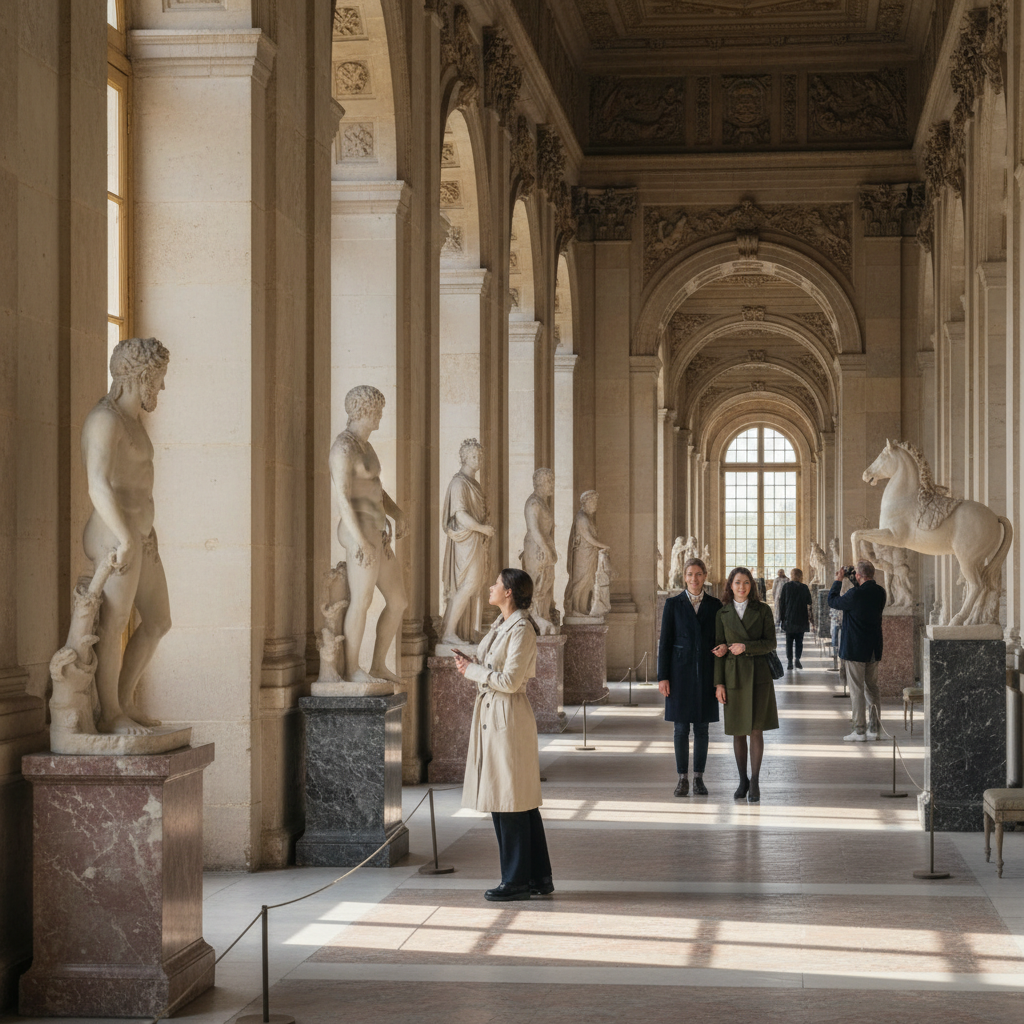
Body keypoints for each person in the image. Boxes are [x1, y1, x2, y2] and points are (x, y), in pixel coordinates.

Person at [82, 337, 171, 735]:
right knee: (114, 623)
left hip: (140, 533)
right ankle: (110, 713)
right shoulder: (105, 420)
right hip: (113, 533)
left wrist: (141, 534)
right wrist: (125, 537)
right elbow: (97, 485)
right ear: (142, 376)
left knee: (158, 621)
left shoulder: (131, 420)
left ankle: (122, 701)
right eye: (159, 379)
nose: (162, 388)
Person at [454, 568, 553, 901]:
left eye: (496, 583)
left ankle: (515, 881)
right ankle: (538, 877)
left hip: (507, 716)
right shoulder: (502, 625)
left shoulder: (522, 629)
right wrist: (473, 664)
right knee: (516, 800)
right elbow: (492, 666)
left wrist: (474, 672)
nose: (491, 586)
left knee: (510, 800)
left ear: (509, 591)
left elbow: (510, 681)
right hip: (495, 712)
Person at [329, 385, 408, 683]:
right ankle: (351, 669)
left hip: (376, 530)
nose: (380, 417)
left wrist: (396, 513)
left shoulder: (366, 446)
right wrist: (360, 541)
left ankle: (377, 665)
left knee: (398, 601)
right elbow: (343, 498)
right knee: (361, 600)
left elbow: (376, 488)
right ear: (365, 410)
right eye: (378, 411)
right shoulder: (343, 448)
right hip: (357, 531)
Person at [713, 566, 780, 803]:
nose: (742, 587)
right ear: (730, 586)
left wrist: (746, 647)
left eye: (746, 583)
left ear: (752, 586)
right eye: (737, 582)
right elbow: (718, 649)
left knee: (756, 730)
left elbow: (771, 643)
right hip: (733, 676)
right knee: (738, 731)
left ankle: (755, 781)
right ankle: (742, 779)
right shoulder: (722, 613)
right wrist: (719, 684)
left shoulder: (762, 610)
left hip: (758, 675)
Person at [657, 558, 722, 797]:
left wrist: (719, 680)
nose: (694, 579)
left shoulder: (715, 605)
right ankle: (682, 778)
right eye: (690, 574)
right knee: (681, 728)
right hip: (679, 673)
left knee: (702, 729)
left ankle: (699, 778)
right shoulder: (673, 604)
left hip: (706, 672)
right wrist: (663, 676)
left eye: (698, 574)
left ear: (705, 576)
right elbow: (664, 643)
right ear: (684, 577)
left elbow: (720, 640)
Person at [440, 438, 494, 644]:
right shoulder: (459, 483)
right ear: (464, 457)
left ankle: (461, 631)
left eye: (480, 456)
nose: (478, 459)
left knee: (475, 584)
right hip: (466, 542)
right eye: (473, 456)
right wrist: (482, 528)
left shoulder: (474, 484)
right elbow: (460, 515)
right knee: (467, 584)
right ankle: (448, 633)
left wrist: (484, 526)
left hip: (476, 540)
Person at [828, 559, 887, 741]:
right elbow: (862, 591)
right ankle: (874, 729)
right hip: (873, 648)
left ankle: (859, 730)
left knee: (857, 690)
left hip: (855, 649)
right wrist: (855, 579)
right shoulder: (880, 592)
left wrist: (838, 580)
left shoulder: (855, 594)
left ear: (859, 575)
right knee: (872, 689)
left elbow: (833, 601)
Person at [563, 490, 609, 617]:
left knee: (588, 582)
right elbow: (588, 537)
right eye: (593, 502)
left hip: (590, 555)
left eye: (596, 502)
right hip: (582, 556)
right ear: (585, 502)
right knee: (580, 581)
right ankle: (574, 609)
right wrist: (603, 545)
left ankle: (582, 609)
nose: (595, 505)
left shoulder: (588, 518)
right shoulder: (581, 517)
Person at [777, 567, 813, 669]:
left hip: (789, 618)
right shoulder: (804, 587)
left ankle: (789, 662)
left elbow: (782, 603)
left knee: (789, 642)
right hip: (801, 618)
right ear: (801, 576)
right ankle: (797, 659)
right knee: (799, 641)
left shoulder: (786, 586)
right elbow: (809, 601)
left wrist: (781, 618)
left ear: (792, 575)